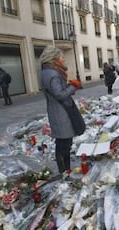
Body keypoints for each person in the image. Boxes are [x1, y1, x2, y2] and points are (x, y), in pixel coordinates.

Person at [40, 46, 81, 175]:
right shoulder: (53, 74)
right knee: (64, 144)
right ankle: (64, 171)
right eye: (61, 57)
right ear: (55, 58)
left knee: (63, 142)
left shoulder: (47, 71)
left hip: (57, 110)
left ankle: (65, 170)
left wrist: (68, 86)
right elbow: (60, 94)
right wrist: (73, 86)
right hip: (61, 112)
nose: (63, 59)